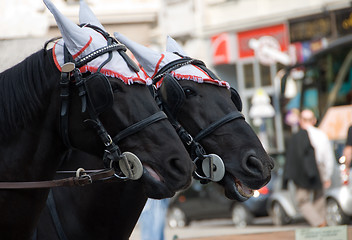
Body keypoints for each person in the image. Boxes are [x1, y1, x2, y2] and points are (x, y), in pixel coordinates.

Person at [284, 109, 335, 227]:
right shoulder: (321, 135)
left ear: (301, 121)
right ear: (314, 120)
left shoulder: (296, 137)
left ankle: (318, 223)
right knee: (319, 198)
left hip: (302, 171)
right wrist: (327, 175)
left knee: (302, 200)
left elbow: (291, 158)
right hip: (320, 168)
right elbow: (328, 157)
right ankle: (320, 225)